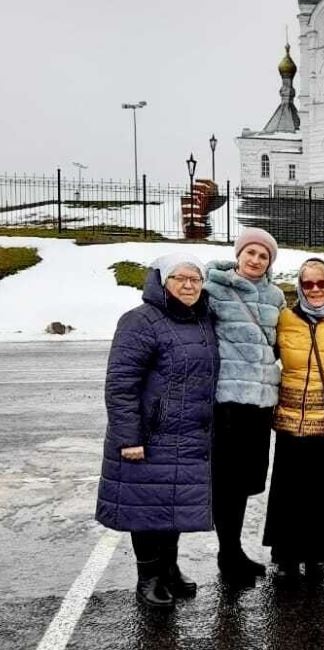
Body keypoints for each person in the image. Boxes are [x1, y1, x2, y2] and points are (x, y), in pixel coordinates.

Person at [96, 254, 218, 609]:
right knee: (148, 510)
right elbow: (121, 384)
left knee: (173, 506)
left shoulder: (203, 321)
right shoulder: (140, 321)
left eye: (195, 279)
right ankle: (147, 578)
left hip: (189, 435)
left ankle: (169, 569)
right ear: (162, 282)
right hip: (151, 435)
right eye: (180, 278)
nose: (189, 285)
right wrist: (128, 438)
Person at [262, 257, 324, 580]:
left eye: (322, 283)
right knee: (288, 487)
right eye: (308, 284)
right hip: (290, 416)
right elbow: (261, 351)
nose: (315, 289)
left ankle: (318, 555)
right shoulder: (285, 318)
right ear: (300, 287)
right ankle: (285, 553)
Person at [204, 227, 285, 586]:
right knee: (226, 483)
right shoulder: (214, 290)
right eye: (250, 252)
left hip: (261, 404)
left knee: (248, 482)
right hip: (228, 402)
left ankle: (233, 550)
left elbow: (280, 344)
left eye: (263, 255)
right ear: (238, 254)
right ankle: (228, 553)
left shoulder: (275, 296)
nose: (255, 260)